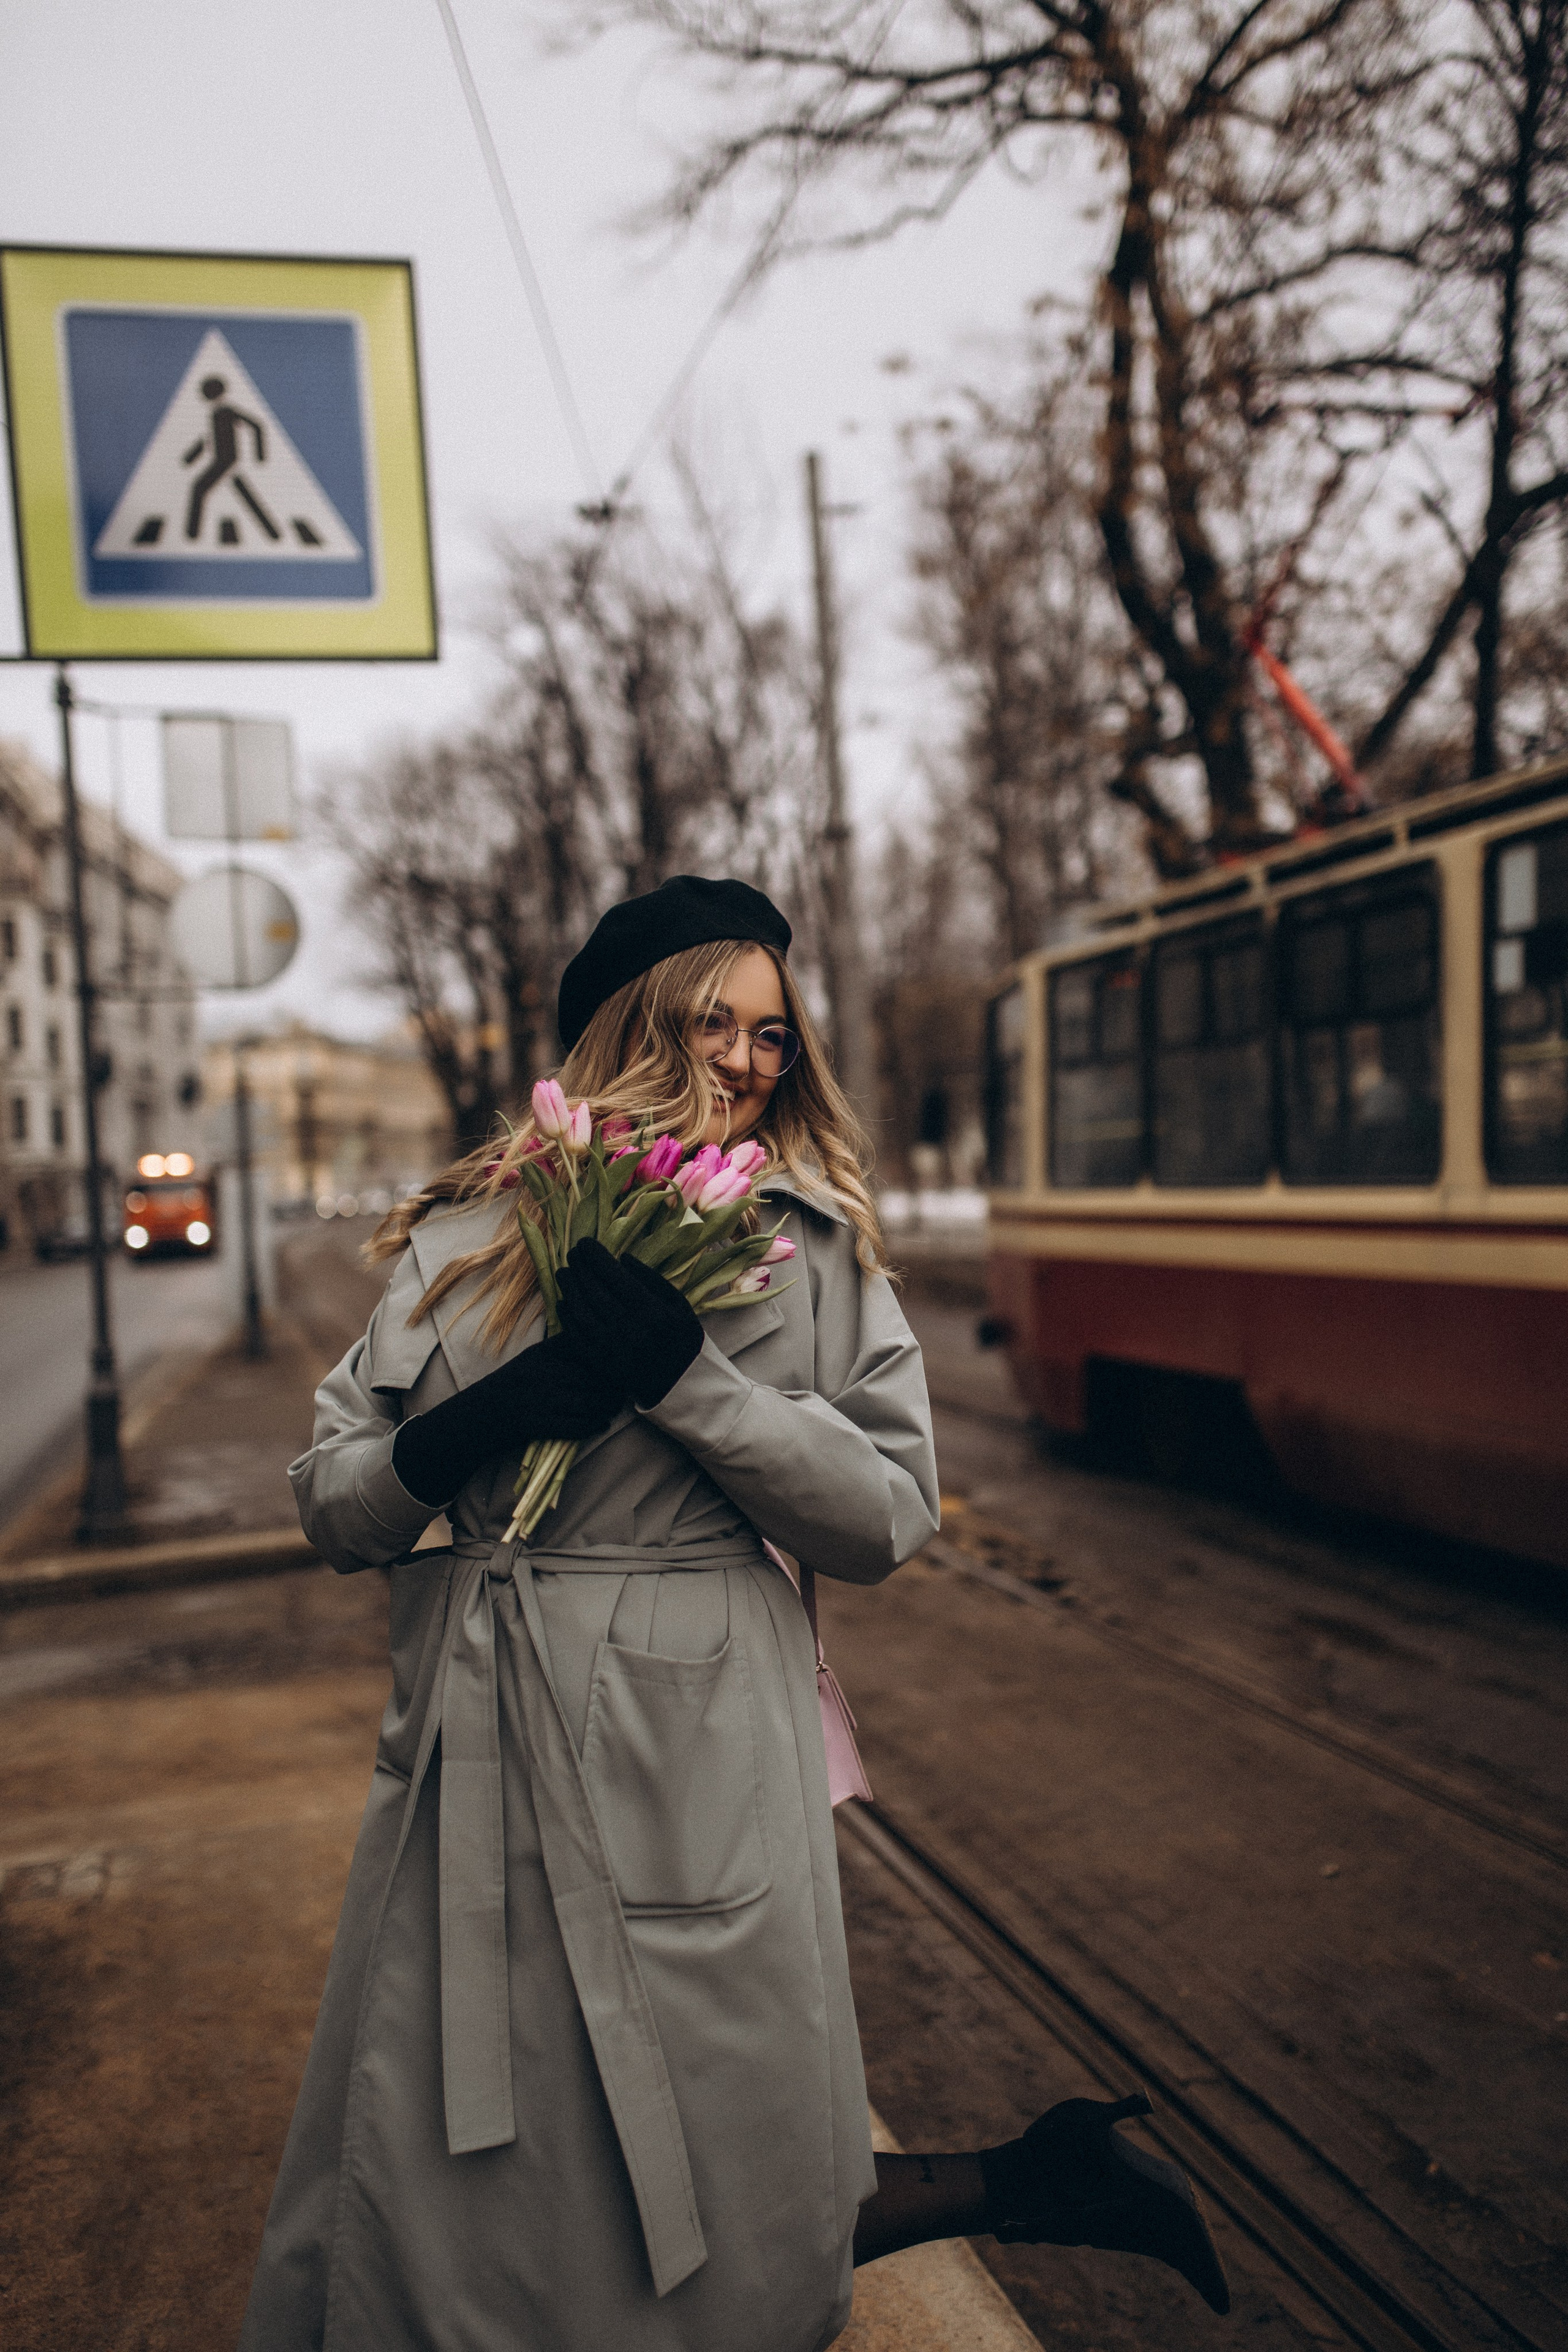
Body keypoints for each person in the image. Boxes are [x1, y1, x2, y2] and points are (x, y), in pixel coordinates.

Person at [239, 875, 1229, 2351]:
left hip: (690, 1746)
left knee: (715, 2132)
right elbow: (331, 1502)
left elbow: (886, 1516)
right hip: (473, 1740)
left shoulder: (803, 1241)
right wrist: (463, 1434)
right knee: (472, 2140)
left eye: (775, 1038)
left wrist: (692, 1387)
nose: (752, 1066)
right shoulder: (464, 1235)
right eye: (717, 1027)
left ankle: (1013, 2187)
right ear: (629, 1032)